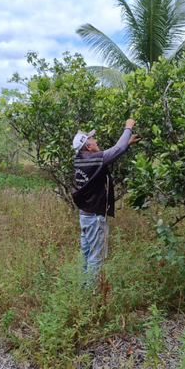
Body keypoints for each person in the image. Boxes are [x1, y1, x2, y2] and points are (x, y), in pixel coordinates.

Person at [71, 119, 141, 283]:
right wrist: (128, 128)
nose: (96, 141)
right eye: (93, 140)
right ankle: (92, 295)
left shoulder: (80, 159)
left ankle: (83, 289)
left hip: (85, 217)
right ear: (88, 147)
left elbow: (115, 152)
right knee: (96, 258)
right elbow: (117, 149)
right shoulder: (94, 159)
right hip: (95, 218)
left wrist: (127, 144)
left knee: (87, 255)